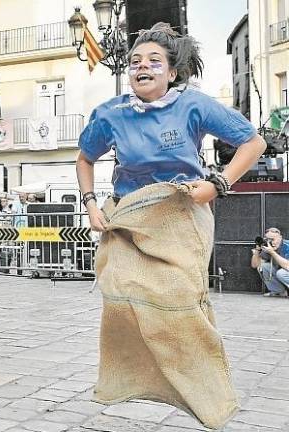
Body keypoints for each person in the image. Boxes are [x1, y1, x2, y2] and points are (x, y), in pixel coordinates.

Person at [75, 23, 266, 429]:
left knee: (180, 297)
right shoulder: (111, 113)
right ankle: (133, 379)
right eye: (134, 62)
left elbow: (254, 143)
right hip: (129, 214)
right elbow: (84, 158)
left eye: (153, 62)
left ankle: (203, 387)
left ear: (172, 73)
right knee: (121, 288)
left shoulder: (193, 105)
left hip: (181, 212)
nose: (141, 67)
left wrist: (218, 184)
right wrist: (91, 203)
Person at [251, 227, 289, 297]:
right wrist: (257, 250)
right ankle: (278, 292)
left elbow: (287, 266)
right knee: (264, 266)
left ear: (280, 237)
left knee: (281, 273)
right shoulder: (268, 247)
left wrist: (272, 252)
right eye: (267, 239)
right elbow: (255, 265)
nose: (270, 242)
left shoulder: (287, 246)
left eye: (272, 239)